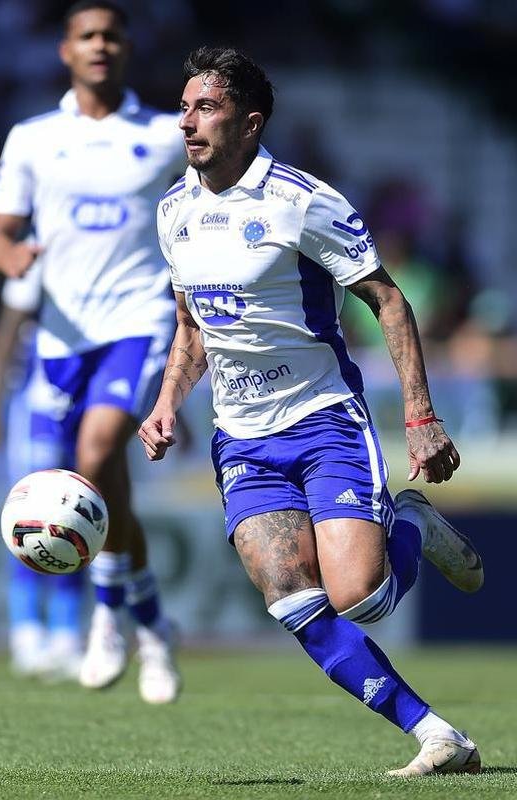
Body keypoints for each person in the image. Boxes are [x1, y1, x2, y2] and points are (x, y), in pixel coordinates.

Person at [138, 46, 485, 777]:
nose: (187, 122)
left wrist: (420, 415)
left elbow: (387, 298)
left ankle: (412, 522)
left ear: (251, 124)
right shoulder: (173, 211)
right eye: (184, 106)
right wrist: (167, 402)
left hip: (322, 420)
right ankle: (433, 734)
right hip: (242, 439)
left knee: (358, 597)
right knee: (289, 597)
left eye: (207, 108)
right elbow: (193, 327)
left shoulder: (300, 201)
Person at [0, 0, 186, 704]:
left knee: (94, 457)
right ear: (65, 50)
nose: (99, 45)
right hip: (62, 336)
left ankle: (106, 616)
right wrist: (13, 256)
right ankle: (149, 617)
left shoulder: (163, 136)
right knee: (95, 481)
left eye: (111, 35)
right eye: (86, 35)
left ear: (126, 49)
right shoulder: (34, 139)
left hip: (139, 319)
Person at [0, 261, 86, 682]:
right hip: (36, 414)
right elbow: (5, 338)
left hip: (81, 414)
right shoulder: (39, 260)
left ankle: (66, 639)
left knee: (78, 525)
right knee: (32, 523)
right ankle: (26, 637)